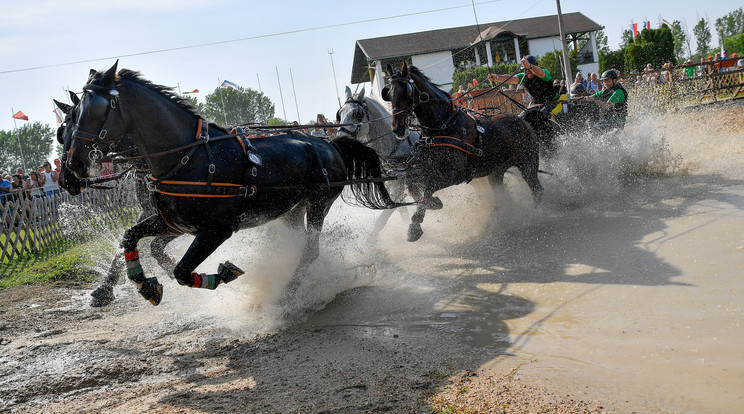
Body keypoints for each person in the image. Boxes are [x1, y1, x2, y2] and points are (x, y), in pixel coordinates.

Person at [487, 55, 559, 117]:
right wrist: (496, 77)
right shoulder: (524, 77)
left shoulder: (544, 72)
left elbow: (541, 73)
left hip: (552, 102)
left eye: (528, 68)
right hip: (536, 104)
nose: (527, 71)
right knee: (522, 117)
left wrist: (530, 66)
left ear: (535, 65)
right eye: (525, 69)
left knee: (541, 117)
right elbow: (511, 78)